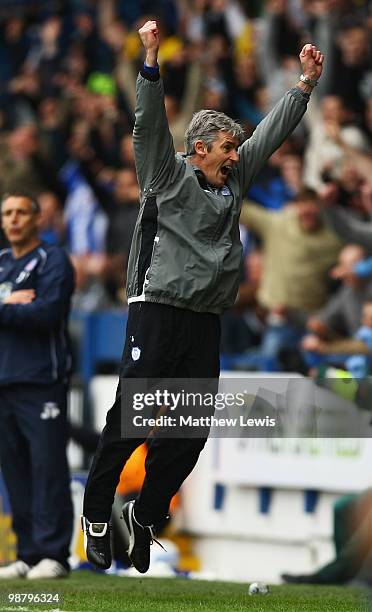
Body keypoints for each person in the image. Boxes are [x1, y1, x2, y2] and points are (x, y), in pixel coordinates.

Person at [81, 20, 324, 574]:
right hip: (157, 308)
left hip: (206, 317)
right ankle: (97, 515)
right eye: (227, 147)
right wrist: (149, 58)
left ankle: (143, 516)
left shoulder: (234, 181)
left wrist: (303, 87)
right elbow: (147, 123)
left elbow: (271, 134)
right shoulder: (165, 175)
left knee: (189, 431)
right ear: (198, 149)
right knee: (134, 418)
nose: (237, 154)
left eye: (237, 146)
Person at [0, 192, 74, 579]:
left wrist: (10, 308)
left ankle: (54, 554)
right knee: (15, 471)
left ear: (36, 219)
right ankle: (27, 553)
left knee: (47, 467)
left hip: (42, 380)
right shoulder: (0, 265)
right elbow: (21, 311)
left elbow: (46, 313)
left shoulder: (53, 260)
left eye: (20, 213)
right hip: (4, 382)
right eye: (7, 213)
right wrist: (12, 303)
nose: (13, 220)